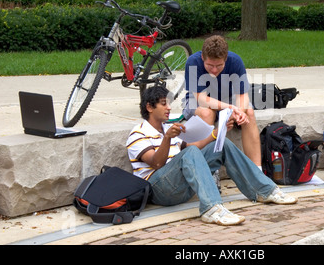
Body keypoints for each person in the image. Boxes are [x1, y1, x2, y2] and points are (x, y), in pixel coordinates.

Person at [126, 85, 297, 226]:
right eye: (164, 104)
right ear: (149, 107)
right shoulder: (138, 133)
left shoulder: (167, 128)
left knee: (221, 145)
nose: (169, 107)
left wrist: (217, 133)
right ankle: (211, 208)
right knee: (190, 153)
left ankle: (264, 190)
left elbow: (194, 146)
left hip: (180, 185)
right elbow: (156, 164)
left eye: (169, 103)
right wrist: (167, 138)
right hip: (159, 190)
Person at [182, 35, 262, 169]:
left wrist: (239, 113)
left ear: (226, 59)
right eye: (209, 65)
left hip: (226, 98)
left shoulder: (235, 61)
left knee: (249, 112)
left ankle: (256, 171)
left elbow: (242, 96)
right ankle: (208, 169)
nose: (214, 70)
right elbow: (202, 99)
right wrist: (230, 107)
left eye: (219, 65)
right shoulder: (193, 62)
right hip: (197, 99)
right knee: (207, 113)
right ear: (202, 57)